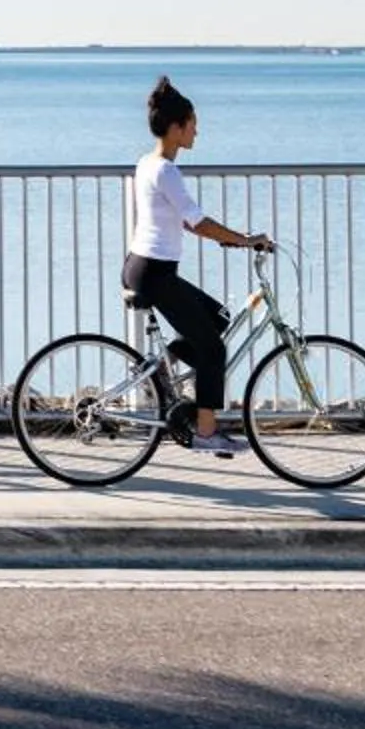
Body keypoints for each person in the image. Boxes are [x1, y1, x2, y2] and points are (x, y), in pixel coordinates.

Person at [128, 76, 272, 458]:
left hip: (145, 266)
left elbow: (173, 220)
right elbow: (195, 220)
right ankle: (207, 431)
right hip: (154, 273)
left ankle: (164, 366)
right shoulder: (166, 171)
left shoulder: (148, 163)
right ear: (176, 128)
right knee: (213, 351)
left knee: (221, 319)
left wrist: (228, 237)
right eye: (192, 123)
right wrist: (243, 239)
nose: (197, 130)